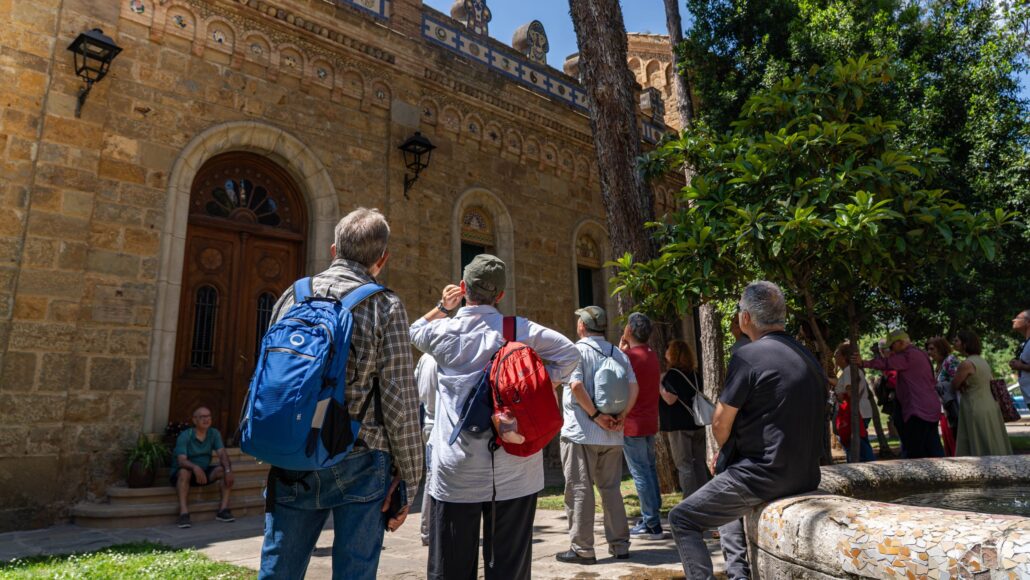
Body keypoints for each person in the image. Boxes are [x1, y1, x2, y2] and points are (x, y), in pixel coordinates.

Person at [258, 208, 423, 580]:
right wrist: (411, 477)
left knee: (279, 569)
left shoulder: (292, 295)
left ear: (334, 250)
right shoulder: (385, 305)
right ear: (382, 259)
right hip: (361, 457)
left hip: (294, 452)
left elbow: (269, 372)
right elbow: (399, 399)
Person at [410, 254, 579, 580]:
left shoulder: (443, 331)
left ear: (463, 287)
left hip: (457, 470)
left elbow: (415, 330)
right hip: (515, 469)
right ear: (500, 294)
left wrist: (443, 307)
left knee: (450, 568)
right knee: (509, 569)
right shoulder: (520, 330)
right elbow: (569, 354)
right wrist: (536, 387)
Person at [668, 281, 825, 580]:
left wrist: (726, 452)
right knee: (725, 478)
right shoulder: (808, 357)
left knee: (682, 519)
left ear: (746, 318)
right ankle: (738, 573)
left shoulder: (748, 356)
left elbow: (720, 422)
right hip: (805, 473)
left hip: (762, 476)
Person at [556, 306, 638, 565]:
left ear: (582, 326)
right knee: (611, 489)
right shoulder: (618, 353)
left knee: (579, 488)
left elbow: (576, 385)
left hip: (581, 433)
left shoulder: (577, 351)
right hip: (613, 435)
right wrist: (621, 416)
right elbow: (634, 387)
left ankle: (582, 549)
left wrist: (595, 416)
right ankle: (620, 544)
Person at [854, 329, 944, 459]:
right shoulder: (920, 353)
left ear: (900, 343)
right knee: (932, 447)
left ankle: (919, 472)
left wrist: (863, 363)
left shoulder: (908, 355)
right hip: (928, 407)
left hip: (918, 410)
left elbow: (886, 363)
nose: (890, 350)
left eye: (892, 346)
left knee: (916, 451)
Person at [617, 313, 664, 541]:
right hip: (649, 420)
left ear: (629, 330)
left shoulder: (627, 357)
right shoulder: (651, 355)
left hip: (632, 422)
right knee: (649, 469)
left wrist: (621, 349)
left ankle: (651, 523)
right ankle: (653, 516)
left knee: (640, 473)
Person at [659, 339, 708, 499]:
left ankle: (690, 502)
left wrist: (659, 384)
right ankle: (705, 499)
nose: (665, 352)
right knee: (699, 463)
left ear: (673, 354)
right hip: (697, 423)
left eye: (668, 350)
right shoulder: (695, 374)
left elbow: (670, 399)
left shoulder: (672, 375)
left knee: (684, 466)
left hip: (679, 427)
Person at [171, 406, 234, 528]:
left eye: (209, 416)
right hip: (183, 474)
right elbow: (182, 461)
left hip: (203, 472)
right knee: (184, 472)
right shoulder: (185, 435)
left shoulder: (214, 433)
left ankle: (223, 510)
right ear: (194, 420)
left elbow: (222, 453)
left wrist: (228, 470)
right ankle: (183, 513)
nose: (207, 419)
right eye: (202, 417)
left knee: (224, 470)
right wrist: (195, 467)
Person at [952, 330, 1013, 457]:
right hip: (989, 405)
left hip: (975, 406)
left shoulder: (966, 364)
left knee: (980, 443)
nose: (954, 342)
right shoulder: (982, 361)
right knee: (991, 441)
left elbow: (954, 385)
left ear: (965, 343)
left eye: (957, 340)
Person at [831, 342, 875, 462]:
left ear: (844, 357)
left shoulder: (849, 370)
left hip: (856, 413)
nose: (835, 358)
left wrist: (840, 396)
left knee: (859, 448)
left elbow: (851, 393)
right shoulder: (849, 370)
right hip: (859, 412)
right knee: (859, 446)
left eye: (837, 354)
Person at [415, 353, 439, 547]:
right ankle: (428, 531)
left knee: (432, 477)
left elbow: (415, 387)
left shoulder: (424, 358)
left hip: (427, 422)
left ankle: (429, 530)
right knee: (433, 478)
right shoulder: (443, 358)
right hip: (438, 424)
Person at [927, 336, 960, 435]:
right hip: (945, 410)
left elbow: (958, 383)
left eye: (932, 349)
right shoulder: (938, 365)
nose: (929, 352)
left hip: (955, 408)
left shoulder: (950, 360)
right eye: (928, 349)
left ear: (941, 348)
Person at [1011, 310, 1030, 403]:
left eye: (1018, 318)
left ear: (1028, 322)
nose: (1013, 320)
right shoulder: (1025, 343)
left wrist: (1021, 366)